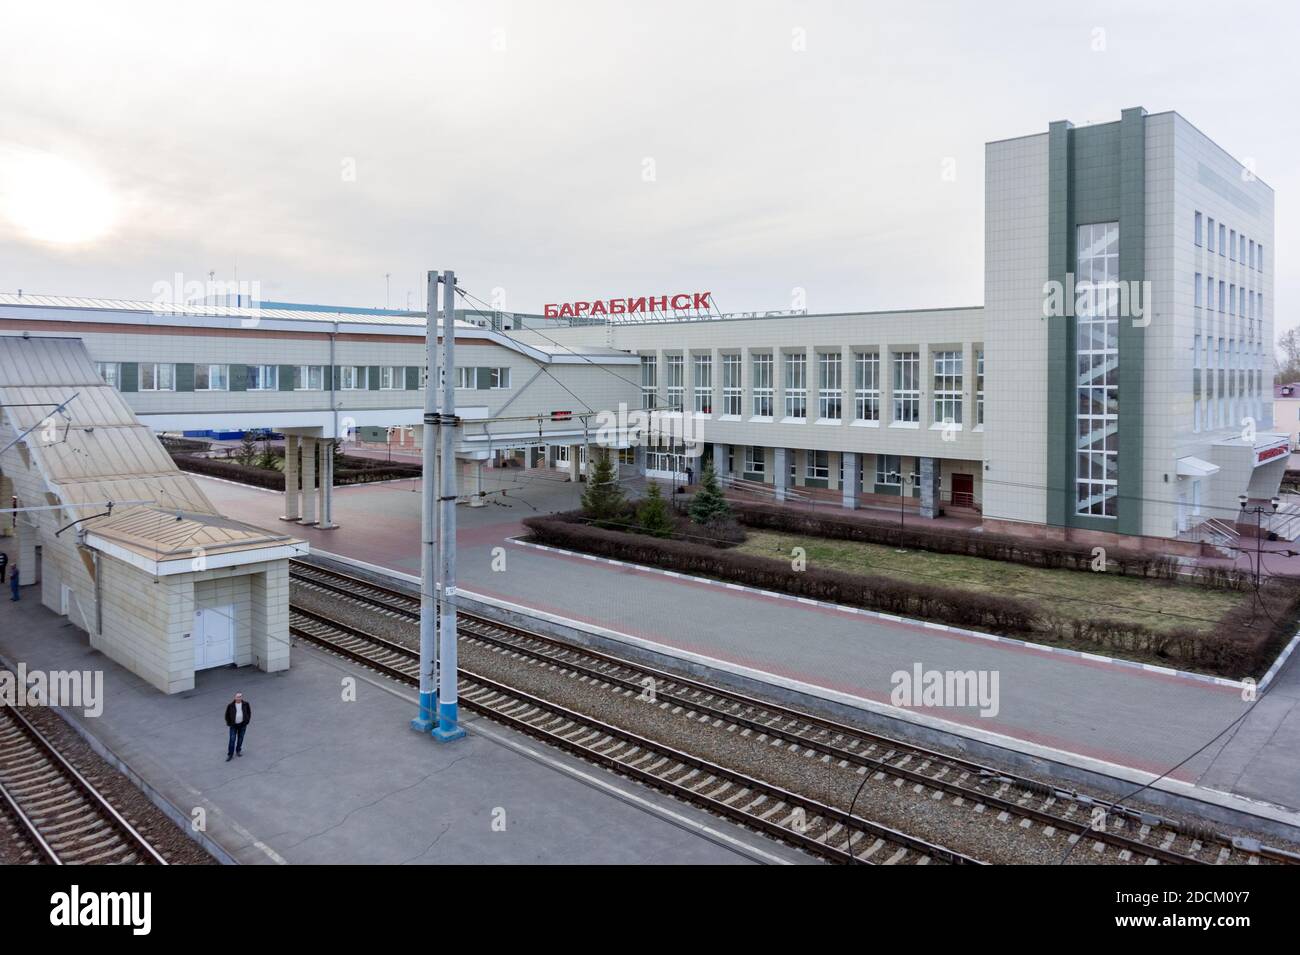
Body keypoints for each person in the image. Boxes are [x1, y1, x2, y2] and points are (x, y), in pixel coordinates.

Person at [224, 692, 251, 761]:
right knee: (232, 739)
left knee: (240, 738)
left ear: (242, 697)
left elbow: (249, 712)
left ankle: (238, 750)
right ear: (235, 697)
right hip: (233, 725)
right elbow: (227, 715)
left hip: (242, 725)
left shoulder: (246, 704)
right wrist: (229, 723)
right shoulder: (230, 706)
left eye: (240, 696)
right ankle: (230, 754)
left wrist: (247, 721)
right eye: (237, 696)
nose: (239, 698)